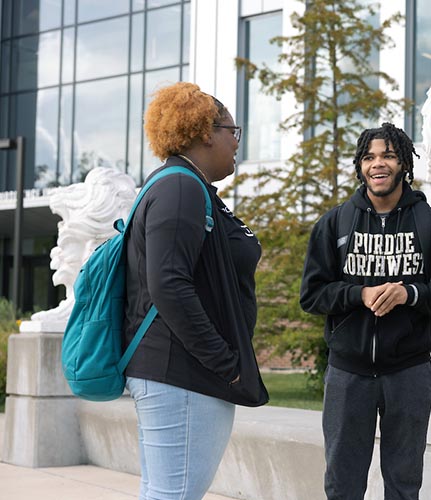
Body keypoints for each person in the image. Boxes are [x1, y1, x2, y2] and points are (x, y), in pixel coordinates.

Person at [300, 122, 431, 500]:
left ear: (404, 164)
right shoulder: (335, 224)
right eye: (370, 157)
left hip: (409, 372)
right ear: (360, 166)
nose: (378, 164)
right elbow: (312, 295)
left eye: (389, 156)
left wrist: (409, 293)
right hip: (348, 373)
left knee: (403, 483)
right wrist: (359, 295)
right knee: (342, 484)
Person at [123, 82, 268, 500]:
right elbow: (168, 284)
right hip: (183, 374)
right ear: (207, 131)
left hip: (177, 372)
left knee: (165, 493)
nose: (236, 142)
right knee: (175, 495)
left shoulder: (186, 186)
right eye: (232, 131)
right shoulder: (180, 186)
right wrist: (226, 363)